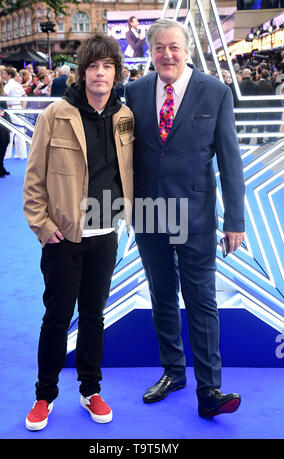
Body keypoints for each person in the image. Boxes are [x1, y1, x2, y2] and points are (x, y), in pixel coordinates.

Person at [125, 19, 245, 418]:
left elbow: (230, 161)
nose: (167, 55)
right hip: (149, 214)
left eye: (174, 47)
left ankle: (209, 389)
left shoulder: (215, 92)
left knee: (201, 301)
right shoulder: (134, 92)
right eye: (159, 47)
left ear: (187, 49)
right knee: (162, 295)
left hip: (195, 215)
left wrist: (235, 221)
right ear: (151, 51)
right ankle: (173, 372)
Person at [23, 33, 134, 431]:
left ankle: (91, 389)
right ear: (82, 73)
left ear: (116, 73)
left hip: (105, 234)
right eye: (93, 66)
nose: (100, 73)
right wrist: (43, 226)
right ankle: (44, 395)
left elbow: (129, 170)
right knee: (56, 317)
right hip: (63, 237)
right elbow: (33, 179)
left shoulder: (125, 117)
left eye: (107, 66)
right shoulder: (55, 114)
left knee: (93, 316)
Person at [2, 67, 28, 160]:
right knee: (20, 132)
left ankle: (6, 154)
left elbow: (4, 95)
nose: (2, 75)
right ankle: (21, 154)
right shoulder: (17, 84)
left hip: (11, 108)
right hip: (18, 108)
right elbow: (25, 96)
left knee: (9, 132)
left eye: (4, 73)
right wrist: (22, 108)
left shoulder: (8, 85)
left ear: (9, 75)